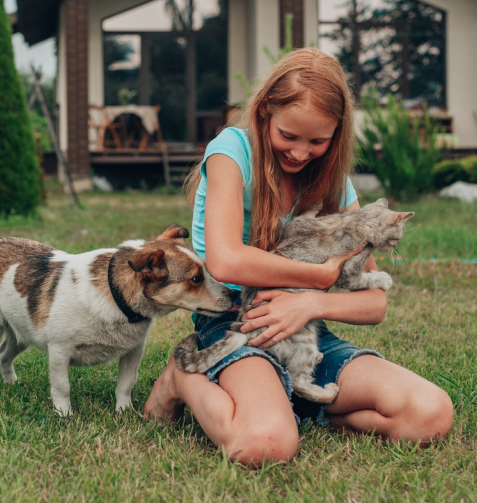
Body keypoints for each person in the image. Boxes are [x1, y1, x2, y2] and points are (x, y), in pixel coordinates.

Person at [143, 48, 453, 466]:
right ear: (266, 109)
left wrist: (308, 302)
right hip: (235, 321)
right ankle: (181, 378)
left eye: (318, 141)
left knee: (430, 414)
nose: (301, 153)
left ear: (337, 134)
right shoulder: (232, 151)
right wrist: (319, 278)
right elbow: (226, 261)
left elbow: (375, 303)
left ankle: (290, 402)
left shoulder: (332, 182)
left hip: (304, 330)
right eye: (289, 136)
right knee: (266, 446)